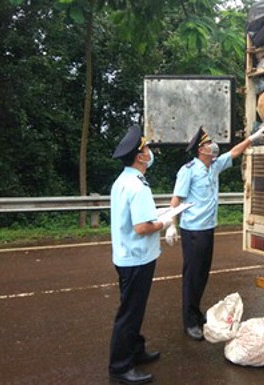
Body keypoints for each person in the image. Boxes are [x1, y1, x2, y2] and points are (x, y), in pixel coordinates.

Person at [166, 125, 264, 341]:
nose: (213, 146)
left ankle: (195, 312)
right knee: (192, 276)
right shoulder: (188, 170)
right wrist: (171, 224)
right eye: (208, 143)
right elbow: (177, 199)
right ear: (200, 149)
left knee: (202, 274)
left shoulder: (213, 166)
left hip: (207, 229)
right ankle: (189, 322)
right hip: (192, 231)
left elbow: (234, 152)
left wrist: (252, 138)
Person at [108, 125, 174, 385]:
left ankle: (136, 350)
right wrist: (165, 222)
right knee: (130, 313)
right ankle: (120, 367)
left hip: (126, 255)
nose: (150, 152)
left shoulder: (124, 180)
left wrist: (156, 218)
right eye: (146, 149)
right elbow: (142, 227)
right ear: (139, 156)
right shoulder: (137, 187)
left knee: (134, 308)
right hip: (136, 258)